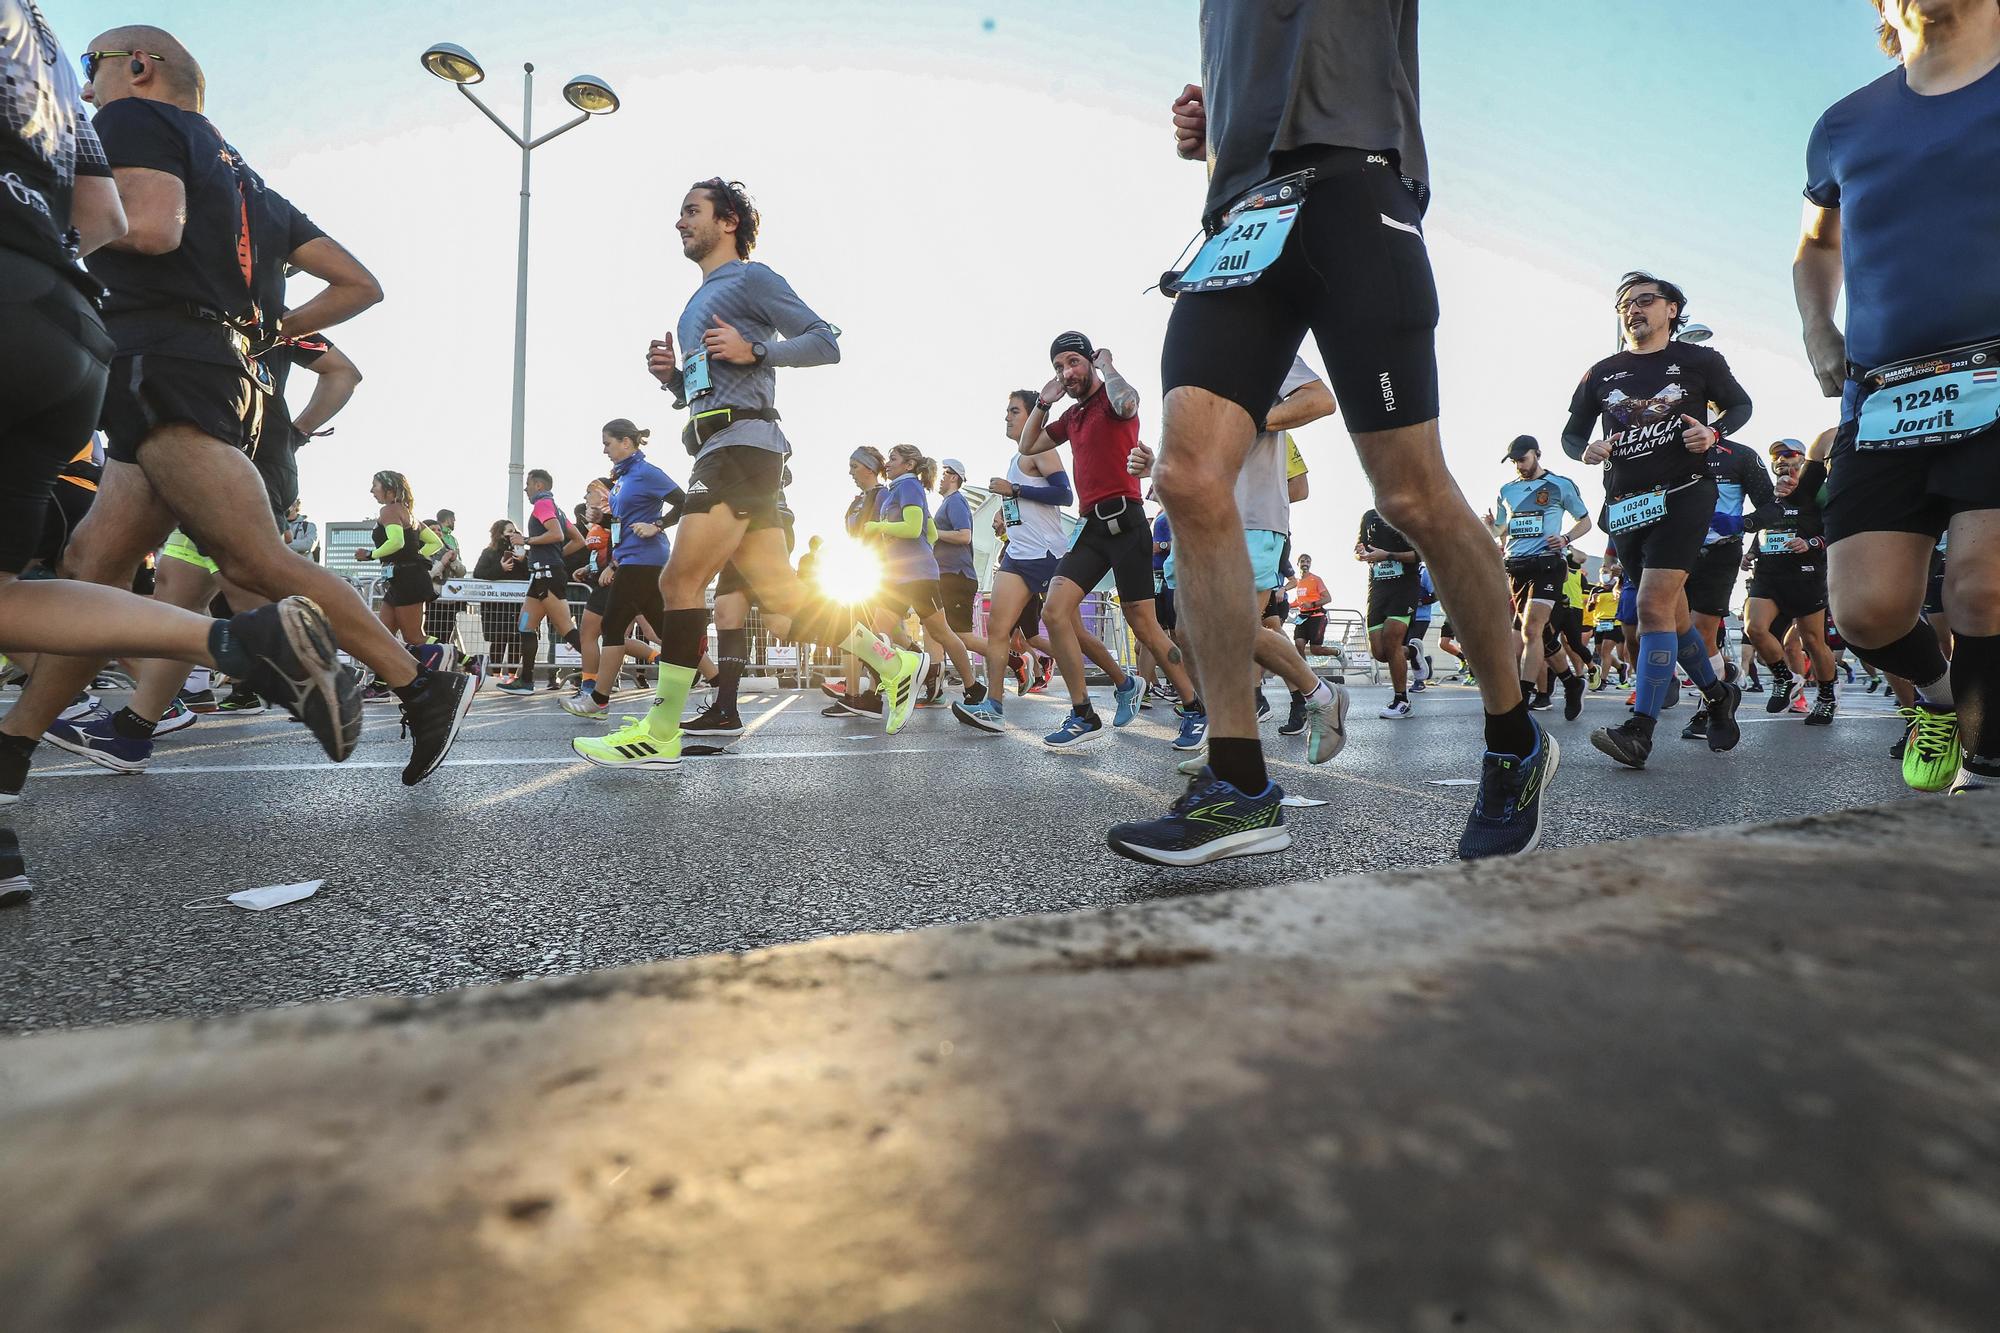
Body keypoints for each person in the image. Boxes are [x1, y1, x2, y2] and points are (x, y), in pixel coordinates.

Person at [1125, 16, 1559, 866]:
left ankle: (1514, 738)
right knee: (1186, 478)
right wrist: (1220, 128)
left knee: (1409, 494)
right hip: (1241, 218)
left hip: (1356, 192)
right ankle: (1239, 784)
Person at [0, 25, 470, 792]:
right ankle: (15, 742)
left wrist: (39, 246)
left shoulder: (131, 119)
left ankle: (418, 680)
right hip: (211, 369)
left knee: (254, 559)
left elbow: (150, 224)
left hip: (164, 358)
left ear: (140, 68)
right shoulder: (249, 178)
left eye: (93, 68)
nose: (84, 90)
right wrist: (266, 331)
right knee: (95, 561)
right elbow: (359, 284)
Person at [575, 177, 929, 772]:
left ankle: (660, 731)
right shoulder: (693, 304)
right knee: (783, 594)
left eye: (692, 211)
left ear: (729, 221)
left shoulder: (752, 278)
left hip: (743, 447)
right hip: (722, 445)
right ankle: (893, 663)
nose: (680, 222)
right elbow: (706, 387)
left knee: (678, 583)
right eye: (680, 213)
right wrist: (672, 379)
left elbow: (825, 342)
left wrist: (757, 351)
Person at [1796, 0, 2000, 793]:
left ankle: (1983, 790)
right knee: (1866, 611)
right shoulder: (1844, 124)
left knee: (1984, 584)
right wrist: (1820, 329)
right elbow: (1815, 244)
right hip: (1886, 395)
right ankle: (1943, 701)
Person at [1562, 272, 1753, 769]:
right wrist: (1587, 449)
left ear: (1672, 309)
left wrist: (1713, 433)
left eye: (1646, 300)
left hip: (1685, 495)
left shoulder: (1699, 360)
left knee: (1651, 606)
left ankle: (1640, 730)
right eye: (1625, 304)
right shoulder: (1602, 372)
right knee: (1675, 615)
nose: (1634, 310)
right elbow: (1570, 435)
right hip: (1627, 506)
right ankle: (1717, 695)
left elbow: (1741, 405)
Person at [1018, 333, 1203, 751]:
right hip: (1092, 529)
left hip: (1129, 523)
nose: (1067, 373)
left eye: (1073, 362)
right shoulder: (1072, 417)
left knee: (1145, 627)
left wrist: (1108, 366)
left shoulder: (1112, 401)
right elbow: (1028, 445)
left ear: (1090, 361)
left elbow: (1127, 403)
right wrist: (1045, 402)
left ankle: (1195, 707)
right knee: (1054, 611)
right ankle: (1083, 712)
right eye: (1059, 367)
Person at [954, 389, 1128, 734]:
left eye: (1014, 410)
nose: (1007, 416)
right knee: (998, 630)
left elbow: (1064, 494)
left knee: (1076, 633)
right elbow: (1025, 508)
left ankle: (1125, 684)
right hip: (1018, 556)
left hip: (1048, 555)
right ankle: (994, 707)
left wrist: (1014, 492)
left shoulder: (1044, 450)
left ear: (1034, 416)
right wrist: (1007, 518)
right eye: (1007, 410)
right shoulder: (1014, 459)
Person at [566, 420, 684, 721]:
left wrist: (656, 525)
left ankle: (599, 700)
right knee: (662, 630)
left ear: (626, 443)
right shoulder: (622, 478)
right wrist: (601, 518)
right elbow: (622, 522)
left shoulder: (646, 472)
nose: (604, 449)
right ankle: (709, 676)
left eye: (607, 443)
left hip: (644, 559)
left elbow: (684, 501)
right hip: (631, 558)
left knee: (614, 626)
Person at [1678, 430, 1778, 741]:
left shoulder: (1741, 455)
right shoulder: (1669, 451)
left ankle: (1710, 707)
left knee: (1700, 633)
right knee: (1668, 632)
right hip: (1674, 551)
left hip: (1720, 552)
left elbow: (1773, 508)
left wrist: (1742, 523)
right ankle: (1722, 674)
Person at [1743, 434, 1840, 725]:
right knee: (1754, 628)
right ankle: (1784, 679)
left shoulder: (1817, 491)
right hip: (1768, 573)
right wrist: (1750, 553)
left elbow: (1837, 527)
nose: (1782, 459)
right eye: (1777, 456)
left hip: (1806, 575)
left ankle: (1825, 698)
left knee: (1812, 640)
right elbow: (1767, 526)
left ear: (1802, 458)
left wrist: (1811, 543)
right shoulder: (1768, 492)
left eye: (1789, 453)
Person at [1493, 435, 1591, 716]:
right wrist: (1490, 528)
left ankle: (1522, 698)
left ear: (1537, 454)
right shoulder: (1506, 490)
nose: (1518, 466)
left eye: (1522, 459)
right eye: (1514, 461)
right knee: (1542, 639)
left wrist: (1566, 538)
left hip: (1548, 565)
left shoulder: (1560, 485)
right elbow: (1499, 531)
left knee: (1531, 631)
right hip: (1516, 568)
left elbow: (1585, 520)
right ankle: (1572, 684)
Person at [498, 467, 583, 695]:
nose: (525, 489)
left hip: (547, 576)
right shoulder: (556, 508)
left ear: (539, 485)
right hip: (541, 576)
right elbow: (578, 540)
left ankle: (600, 677)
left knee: (566, 629)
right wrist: (555, 556)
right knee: (525, 626)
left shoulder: (543, 504)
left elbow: (557, 535)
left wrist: (526, 540)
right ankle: (525, 681)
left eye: (528, 484)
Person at [351, 470, 441, 663]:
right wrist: (416, 557)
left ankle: (465, 660)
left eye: (375, 486)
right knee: (383, 636)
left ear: (389, 490)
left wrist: (370, 555)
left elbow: (397, 541)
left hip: (407, 580)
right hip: (400, 579)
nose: (371, 491)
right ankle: (381, 683)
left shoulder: (389, 510)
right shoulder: (409, 514)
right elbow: (435, 543)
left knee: (414, 637)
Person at [1356, 507, 1421, 718]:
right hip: (1377, 589)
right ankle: (1412, 652)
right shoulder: (1369, 516)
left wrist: (1388, 555)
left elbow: (1420, 554)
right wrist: (1361, 554)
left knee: (1392, 640)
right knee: (1380, 653)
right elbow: (1359, 550)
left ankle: (1402, 701)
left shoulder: (1408, 515)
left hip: (1404, 586)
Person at [932, 457, 988, 682]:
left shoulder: (955, 501)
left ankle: (1014, 660)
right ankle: (934, 683)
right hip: (947, 575)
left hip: (957, 576)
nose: (939, 479)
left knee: (959, 635)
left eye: (943, 474)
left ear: (954, 477)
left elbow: (965, 535)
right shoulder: (948, 503)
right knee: (938, 631)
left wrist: (933, 533)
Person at [1286, 554, 1333, 658]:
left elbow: (1328, 598)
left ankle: (1338, 653)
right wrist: (1287, 605)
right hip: (1302, 617)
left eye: (1308, 562)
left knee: (1315, 650)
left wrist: (1312, 604)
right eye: (1302, 561)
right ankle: (1304, 671)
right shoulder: (1297, 582)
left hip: (1317, 616)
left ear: (1310, 564)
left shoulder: (1316, 579)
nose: (1305, 564)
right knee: (1298, 644)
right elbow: (1299, 601)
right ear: (1298, 564)